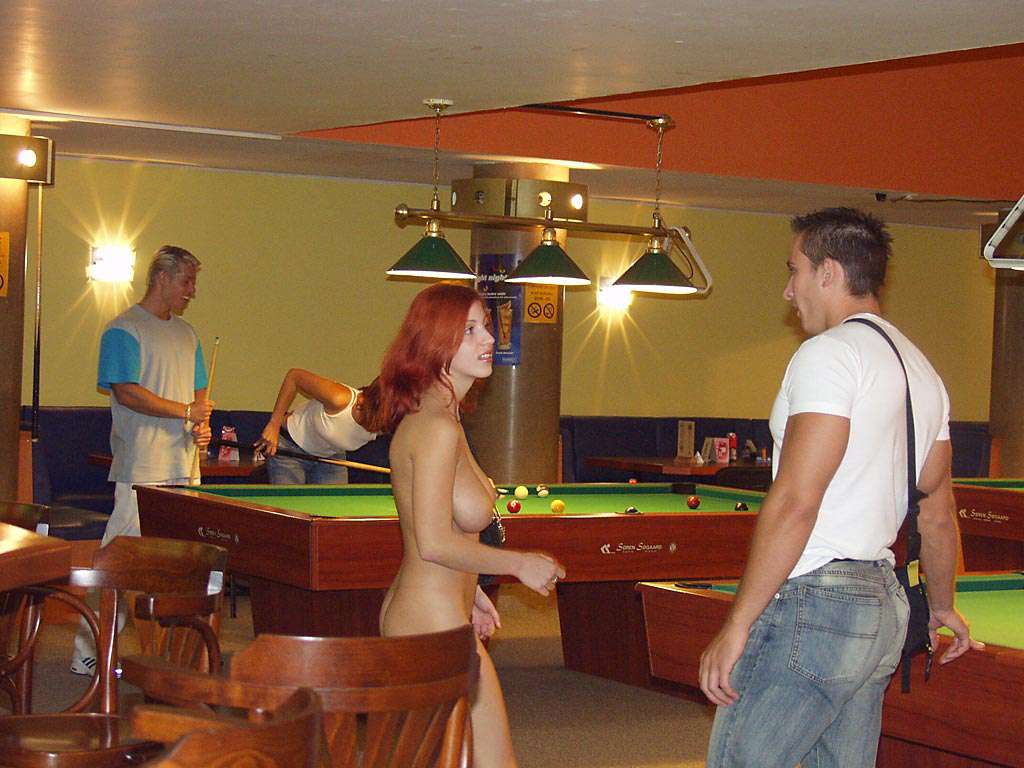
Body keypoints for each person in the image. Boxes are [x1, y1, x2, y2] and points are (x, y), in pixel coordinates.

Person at [699, 208, 981, 767]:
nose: (788, 291)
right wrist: (941, 604)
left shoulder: (828, 355)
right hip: (882, 607)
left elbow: (797, 501)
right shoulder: (920, 370)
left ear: (828, 272)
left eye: (794, 270)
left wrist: (738, 622)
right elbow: (936, 510)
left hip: (819, 602)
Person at [371, 283, 565, 768]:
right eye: (470, 330)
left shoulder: (445, 418)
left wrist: (472, 586)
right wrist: (518, 564)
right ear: (435, 343)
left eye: (486, 326)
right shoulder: (436, 428)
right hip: (428, 621)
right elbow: (433, 541)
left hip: (437, 612)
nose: (489, 339)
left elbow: (446, 533)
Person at [71, 245, 214, 675]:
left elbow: (199, 393)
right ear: (162, 278)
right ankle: (87, 649)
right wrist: (185, 411)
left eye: (194, 282)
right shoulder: (124, 329)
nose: (192, 290)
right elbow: (127, 392)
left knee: (180, 563)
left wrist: (201, 423)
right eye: (186, 281)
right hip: (141, 466)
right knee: (118, 561)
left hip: (184, 465)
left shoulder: (188, 334)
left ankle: (176, 655)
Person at [254, 370, 379, 483]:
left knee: (335, 502)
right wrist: (273, 425)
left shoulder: (387, 422)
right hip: (290, 448)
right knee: (290, 501)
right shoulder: (339, 398)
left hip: (331, 457)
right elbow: (294, 377)